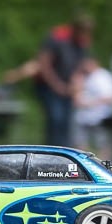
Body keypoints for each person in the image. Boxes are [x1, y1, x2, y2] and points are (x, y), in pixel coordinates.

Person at [36, 14, 93, 146]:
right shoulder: (57, 37)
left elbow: (81, 65)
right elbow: (44, 63)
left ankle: (64, 150)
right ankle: (52, 149)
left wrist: (76, 83)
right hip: (49, 86)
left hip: (68, 88)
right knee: (56, 119)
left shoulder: (82, 41)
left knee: (67, 123)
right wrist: (57, 85)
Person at [73, 57, 112, 158]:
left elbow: (111, 98)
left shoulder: (103, 77)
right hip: (83, 117)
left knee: (102, 144)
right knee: (80, 143)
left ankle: (104, 164)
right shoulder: (82, 76)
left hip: (99, 117)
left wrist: (91, 103)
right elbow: (75, 93)